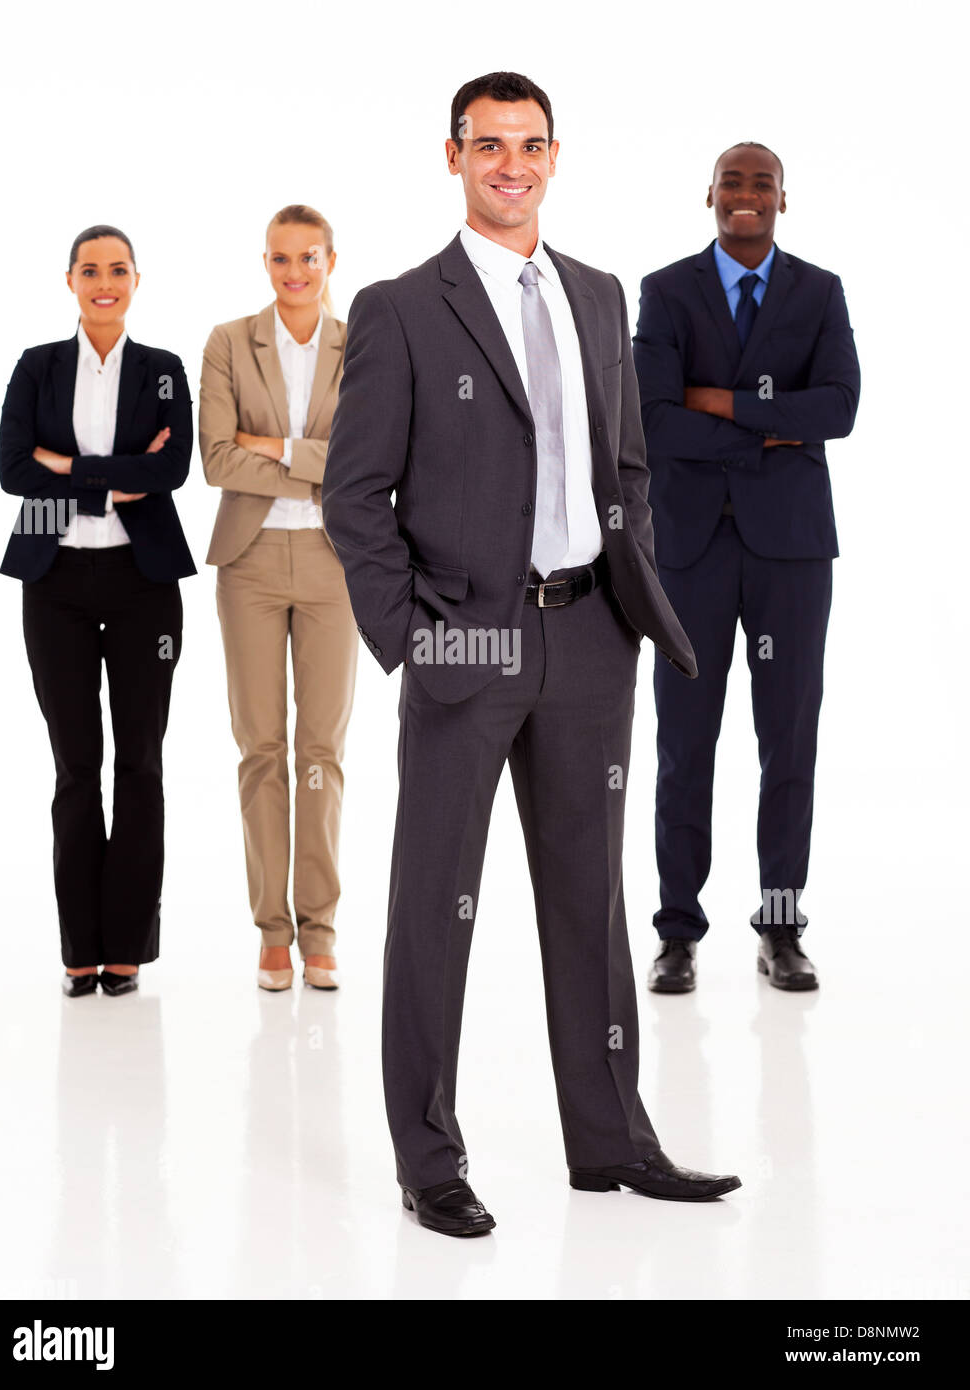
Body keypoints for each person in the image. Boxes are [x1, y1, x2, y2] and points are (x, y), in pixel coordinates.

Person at [322, 72, 741, 1237]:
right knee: (432, 908)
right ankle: (428, 1160)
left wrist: (627, 597)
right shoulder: (403, 308)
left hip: (590, 638)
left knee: (587, 903)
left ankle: (609, 1142)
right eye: (487, 144)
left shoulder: (600, 296)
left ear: (555, 156)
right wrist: (415, 638)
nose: (511, 163)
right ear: (451, 155)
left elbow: (628, 469)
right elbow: (355, 495)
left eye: (530, 144)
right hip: (469, 642)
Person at [633, 143, 860, 994]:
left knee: (787, 742)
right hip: (689, 548)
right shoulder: (665, 290)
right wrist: (772, 424)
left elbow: (838, 407)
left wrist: (721, 401)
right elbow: (652, 421)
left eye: (760, 183)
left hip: (791, 552)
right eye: (733, 181)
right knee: (683, 744)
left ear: (781, 200)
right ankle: (677, 932)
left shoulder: (818, 291)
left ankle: (780, 926)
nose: (746, 195)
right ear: (709, 195)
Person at [0, 225, 195, 997]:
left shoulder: (163, 371)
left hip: (143, 578)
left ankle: (128, 950)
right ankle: (80, 949)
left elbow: (171, 468)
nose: (104, 281)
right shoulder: (36, 366)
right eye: (90, 270)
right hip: (52, 576)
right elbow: (14, 470)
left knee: (140, 763)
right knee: (75, 766)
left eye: (118, 269)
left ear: (136, 280)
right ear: (71, 281)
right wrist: (116, 478)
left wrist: (70, 467)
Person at [199, 206, 357, 993]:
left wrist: (280, 448)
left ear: (331, 260)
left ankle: (320, 928)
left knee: (321, 752)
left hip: (335, 564)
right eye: (280, 259)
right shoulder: (230, 341)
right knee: (261, 747)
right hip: (251, 561)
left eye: (307, 258)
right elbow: (218, 460)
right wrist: (310, 461)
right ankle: (271, 931)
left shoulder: (360, 343)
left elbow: (368, 461)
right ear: (265, 262)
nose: (293, 272)